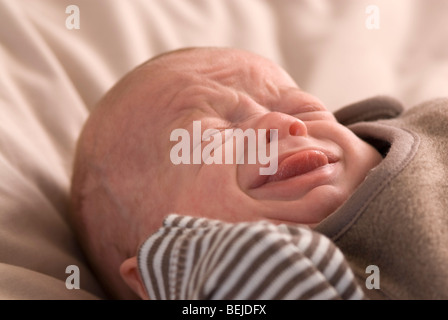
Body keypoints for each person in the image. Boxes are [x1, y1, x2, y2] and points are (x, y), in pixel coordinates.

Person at [70, 47, 448, 300]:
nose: (282, 123)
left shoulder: (427, 125)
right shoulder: (276, 276)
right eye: (213, 136)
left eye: (302, 108)